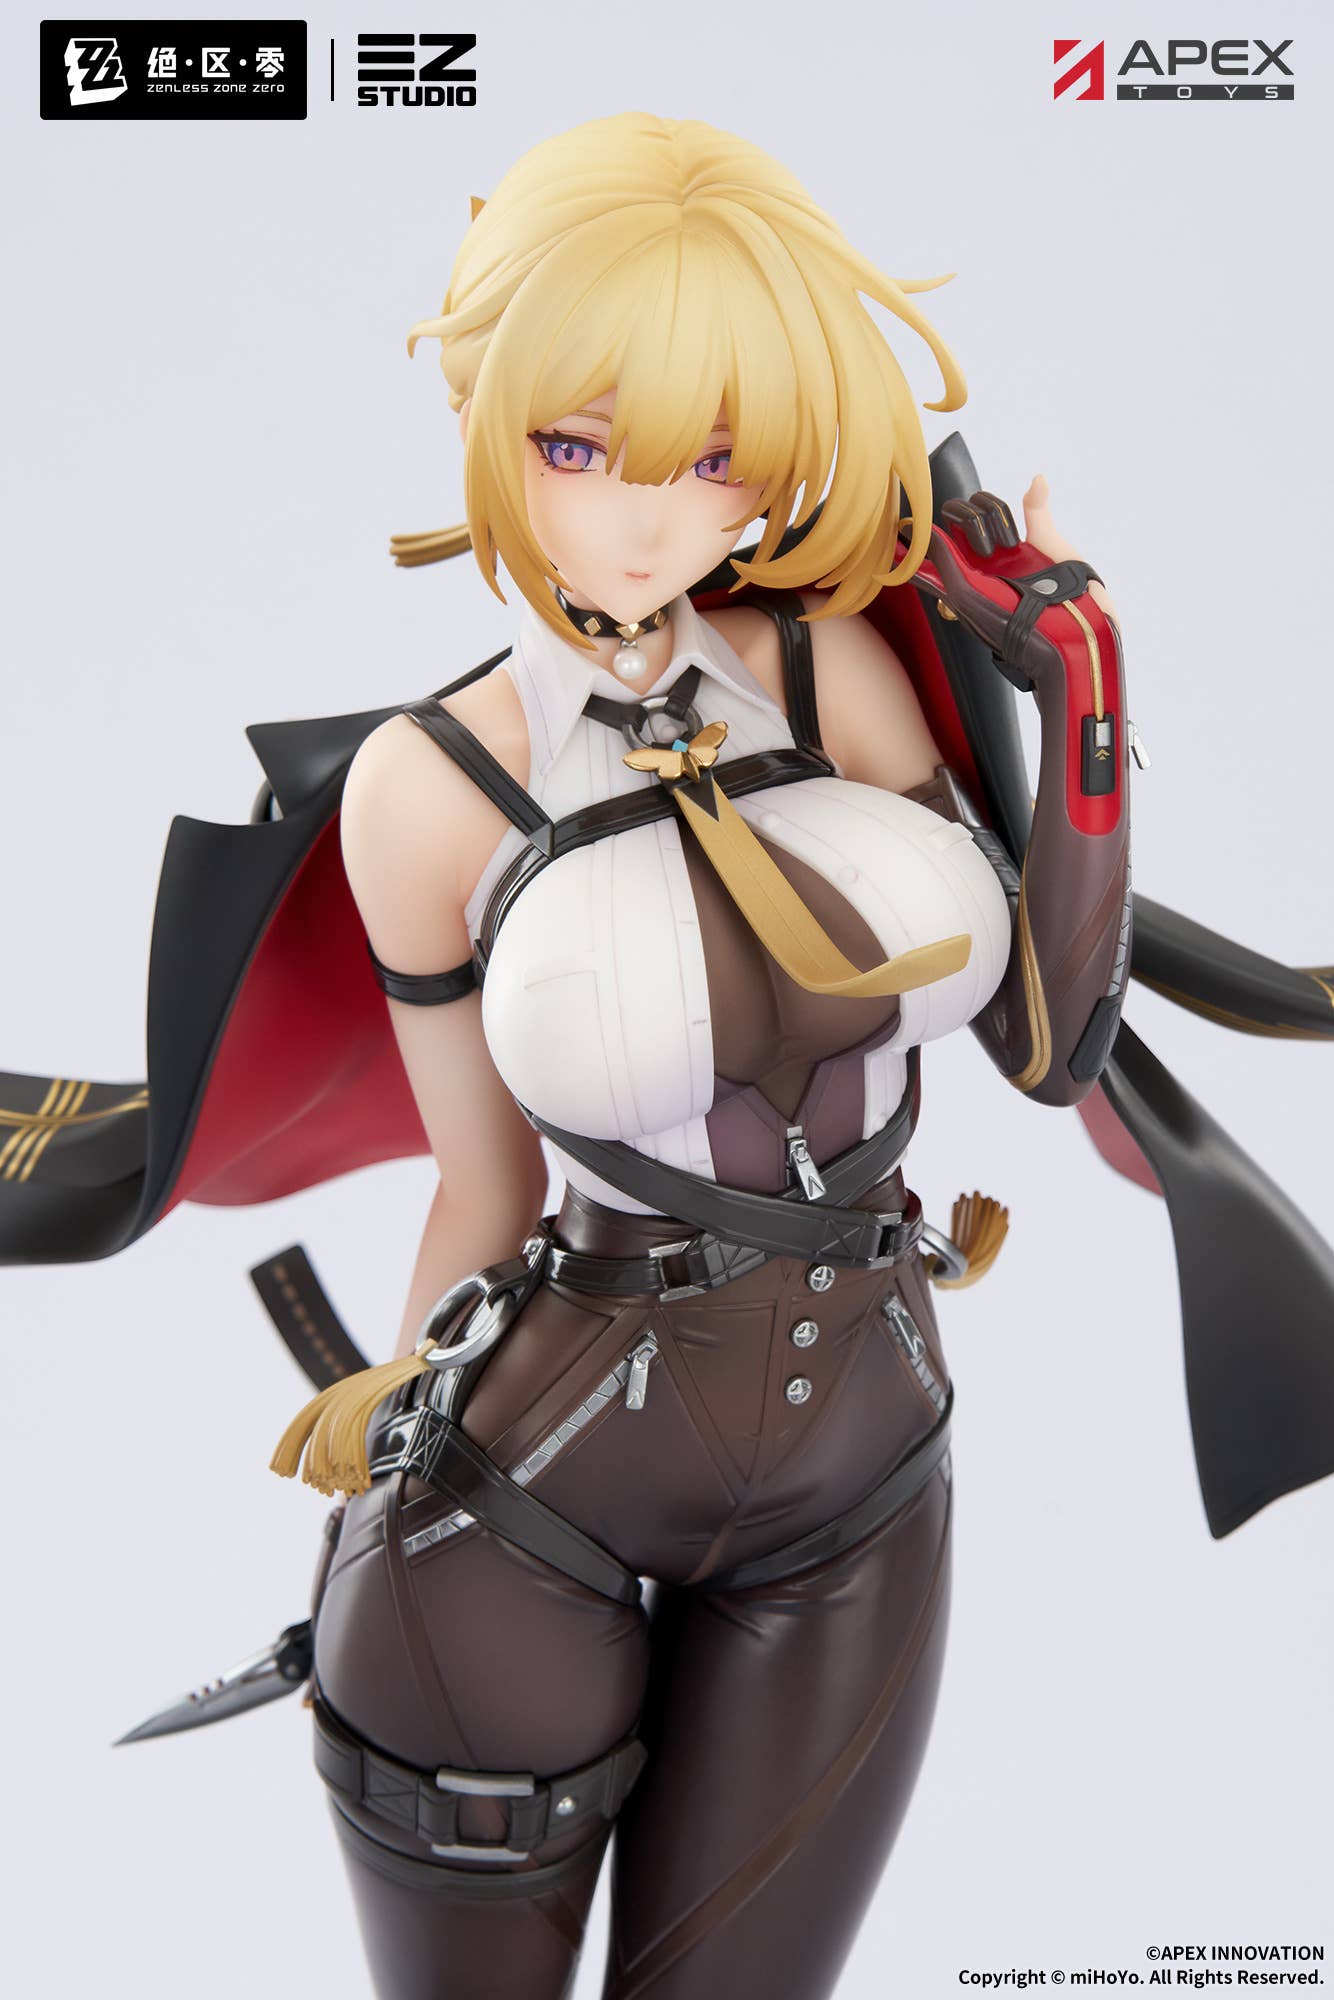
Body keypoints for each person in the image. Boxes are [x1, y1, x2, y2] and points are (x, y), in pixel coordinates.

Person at [2, 111, 1331, 2000]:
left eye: (715, 458)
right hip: (520, 1494)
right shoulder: (429, 789)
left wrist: (1082, 696)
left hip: (865, 1469)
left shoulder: (824, 671)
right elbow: (487, 1186)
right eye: (575, 443)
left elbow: (1046, 1044)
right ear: (484, 412)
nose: (646, 518)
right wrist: (389, 1416)